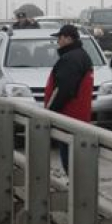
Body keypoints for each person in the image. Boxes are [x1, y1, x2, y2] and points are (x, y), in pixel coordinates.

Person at [44, 25, 93, 173]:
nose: (57, 42)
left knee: (69, 160)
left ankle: (74, 188)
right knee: (76, 158)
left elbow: (63, 90)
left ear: (68, 38)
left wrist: (49, 113)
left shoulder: (70, 59)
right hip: (79, 117)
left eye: (59, 38)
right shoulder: (81, 55)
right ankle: (76, 186)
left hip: (68, 117)